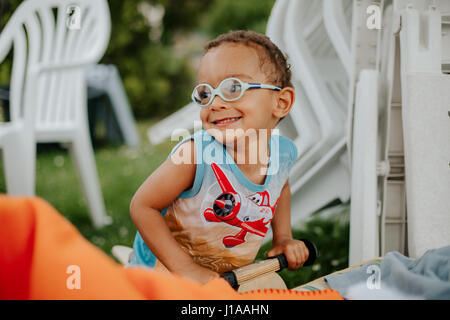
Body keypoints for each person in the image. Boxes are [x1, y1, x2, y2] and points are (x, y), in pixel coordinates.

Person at [129, 30, 309, 285]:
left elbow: (280, 187)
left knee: (274, 289)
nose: (214, 103)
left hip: (225, 277)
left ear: (280, 102)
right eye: (206, 93)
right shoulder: (194, 156)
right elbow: (142, 206)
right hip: (161, 275)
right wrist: (186, 269)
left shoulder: (283, 153)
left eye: (233, 88)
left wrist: (283, 237)